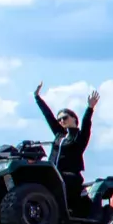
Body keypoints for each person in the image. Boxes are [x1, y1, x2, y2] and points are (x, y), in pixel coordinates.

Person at [34, 83, 97, 216]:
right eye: (59, 120)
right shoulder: (59, 134)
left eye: (64, 118)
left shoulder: (79, 136)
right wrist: (37, 98)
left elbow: (86, 124)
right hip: (53, 172)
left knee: (59, 182)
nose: (61, 121)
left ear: (74, 118)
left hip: (70, 175)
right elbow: (48, 116)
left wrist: (90, 108)